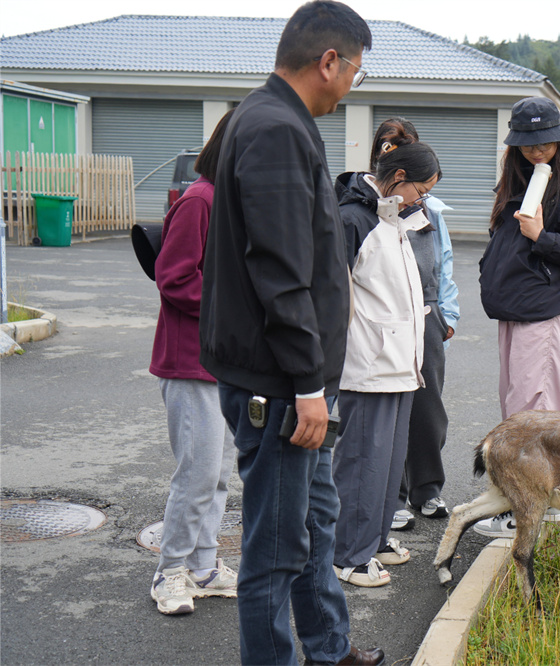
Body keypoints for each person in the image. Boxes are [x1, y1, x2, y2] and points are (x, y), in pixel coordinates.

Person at [199, 2, 384, 664]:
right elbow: (280, 270)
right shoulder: (276, 127)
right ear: (328, 61)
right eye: (356, 71)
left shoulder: (272, 117)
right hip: (281, 389)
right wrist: (308, 384)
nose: (353, 84)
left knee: (313, 524)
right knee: (274, 554)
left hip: (294, 386)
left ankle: (329, 652)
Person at [475, 96, 560, 538]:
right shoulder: (514, 181)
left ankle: (533, 513)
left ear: (557, 139)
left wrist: (542, 236)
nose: (535, 151)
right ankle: (519, 501)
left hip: (545, 314)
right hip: (513, 309)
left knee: (537, 411)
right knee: (515, 407)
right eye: (526, 144)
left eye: (544, 143)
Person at [332, 138, 442, 586]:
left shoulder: (392, 216)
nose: (425, 199)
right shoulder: (353, 219)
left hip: (400, 361)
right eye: (423, 189)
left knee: (387, 463)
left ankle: (374, 541)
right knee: (363, 463)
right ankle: (348, 556)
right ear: (398, 178)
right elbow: (333, 297)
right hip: (369, 363)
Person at [148, 109, 238, 616]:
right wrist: (239, 303)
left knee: (218, 471)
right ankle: (170, 571)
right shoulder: (201, 200)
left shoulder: (225, 200)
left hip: (220, 361)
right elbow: (175, 278)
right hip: (189, 361)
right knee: (198, 472)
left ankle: (203, 566)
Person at [363, 119, 460, 533]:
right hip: (386, 321)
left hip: (427, 318)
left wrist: (446, 318)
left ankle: (427, 487)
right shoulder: (368, 207)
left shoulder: (432, 209)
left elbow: (446, 265)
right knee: (390, 410)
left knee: (428, 409)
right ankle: (395, 496)